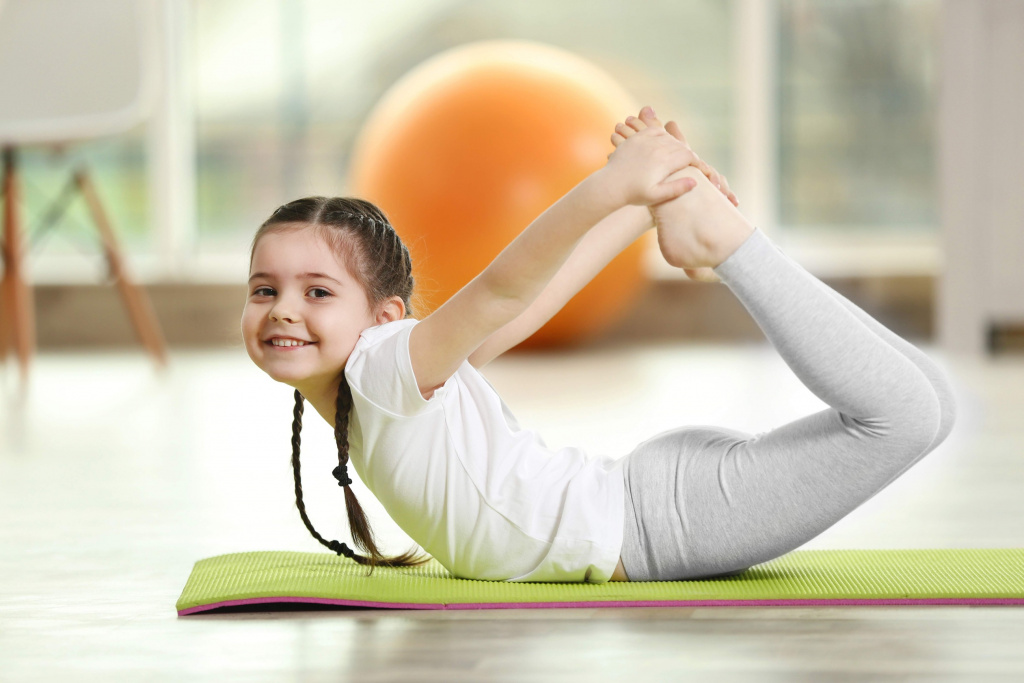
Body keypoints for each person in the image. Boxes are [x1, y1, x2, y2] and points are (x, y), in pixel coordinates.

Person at [240, 106, 955, 584]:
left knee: (912, 416)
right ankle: (696, 224)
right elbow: (525, 312)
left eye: (318, 291)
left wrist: (613, 190)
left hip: (656, 522)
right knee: (927, 408)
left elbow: (501, 292)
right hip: (653, 503)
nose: (284, 311)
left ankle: (726, 242)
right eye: (264, 289)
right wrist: (640, 210)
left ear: (384, 317)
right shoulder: (394, 386)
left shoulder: (380, 368)